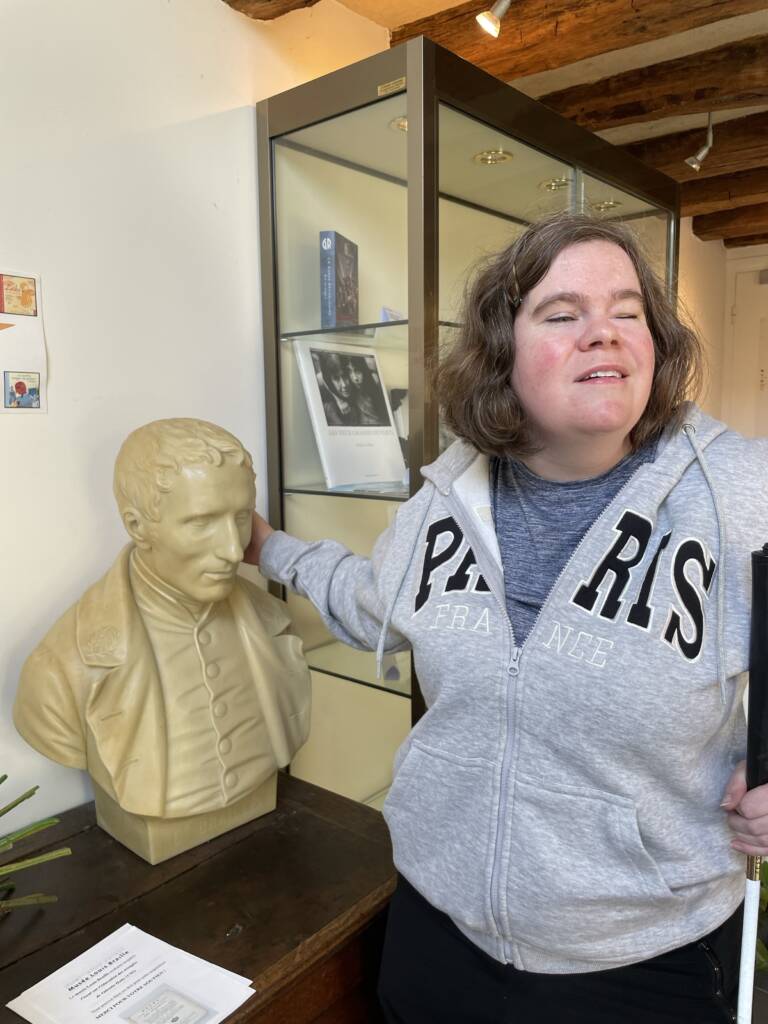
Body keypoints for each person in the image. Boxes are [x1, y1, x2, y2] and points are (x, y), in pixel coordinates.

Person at [245, 213, 768, 1023]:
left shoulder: (739, 491)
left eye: (627, 313)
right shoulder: (445, 501)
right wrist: (267, 548)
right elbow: (374, 604)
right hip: (438, 930)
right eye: (563, 315)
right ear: (501, 353)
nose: (604, 333)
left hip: (644, 960)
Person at [15, 418, 310, 859]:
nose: (234, 549)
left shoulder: (274, 623)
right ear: (137, 525)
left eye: (242, 517)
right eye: (201, 523)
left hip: (265, 829)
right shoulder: (61, 666)